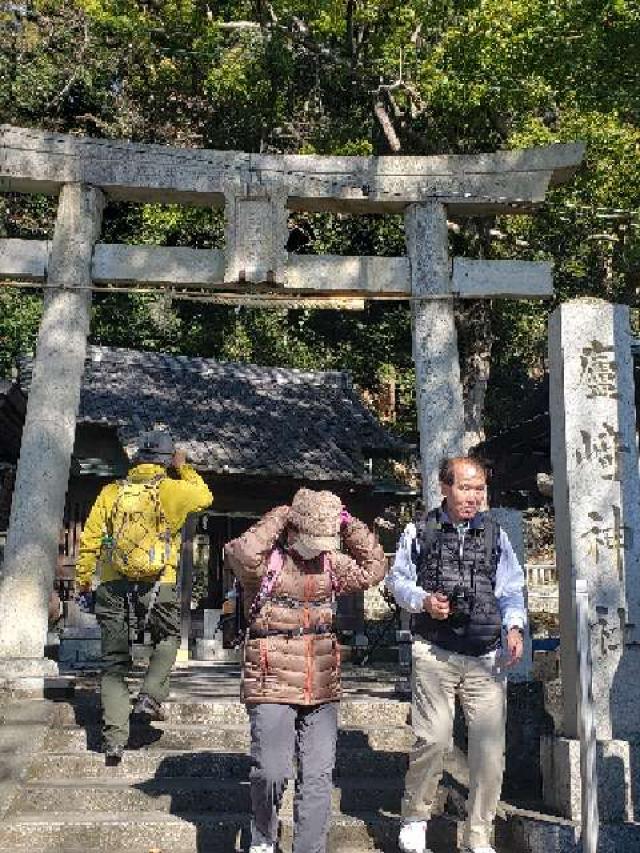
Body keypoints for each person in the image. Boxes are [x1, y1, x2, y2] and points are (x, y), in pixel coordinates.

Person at [224, 487, 387, 853]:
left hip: (322, 680)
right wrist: (281, 515)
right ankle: (264, 835)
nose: (319, 545)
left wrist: (347, 525)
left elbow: (374, 569)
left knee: (317, 777)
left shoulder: (332, 563)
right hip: (271, 678)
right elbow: (240, 552)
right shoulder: (269, 562)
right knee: (271, 771)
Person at [386, 457, 525, 853]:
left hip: (486, 655)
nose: (473, 496)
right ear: (444, 488)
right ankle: (415, 816)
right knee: (433, 738)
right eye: (465, 487)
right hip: (435, 651)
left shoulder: (496, 534)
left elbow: (512, 587)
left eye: (479, 488)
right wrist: (424, 601)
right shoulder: (421, 530)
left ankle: (478, 834)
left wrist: (514, 627)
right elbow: (398, 582)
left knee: (489, 753)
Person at [76, 429, 213, 764]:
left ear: (136, 459)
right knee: (168, 637)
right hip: (159, 582)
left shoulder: (111, 491)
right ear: (166, 461)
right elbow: (205, 496)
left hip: (112, 582)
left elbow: (91, 537)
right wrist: (184, 468)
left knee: (114, 663)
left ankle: (113, 741)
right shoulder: (173, 489)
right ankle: (150, 695)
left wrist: (84, 580)